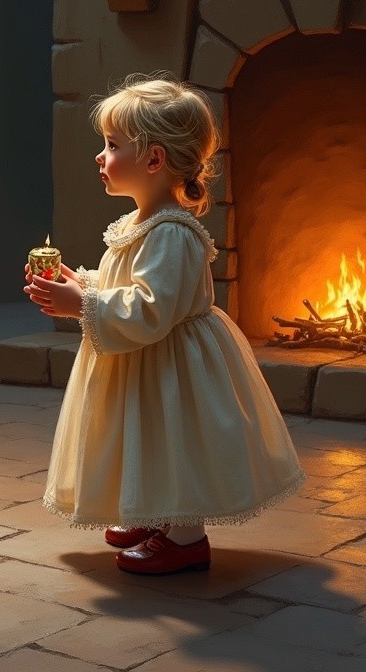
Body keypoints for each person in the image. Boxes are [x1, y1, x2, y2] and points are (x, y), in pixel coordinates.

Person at [25, 75, 304, 575]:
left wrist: (82, 308)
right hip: (145, 358)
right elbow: (128, 284)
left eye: (111, 146)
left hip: (170, 363)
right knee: (147, 434)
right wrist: (84, 287)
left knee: (175, 437)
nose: (99, 156)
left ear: (153, 160)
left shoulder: (173, 233)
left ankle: (185, 536)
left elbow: (152, 308)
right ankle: (154, 513)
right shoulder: (139, 224)